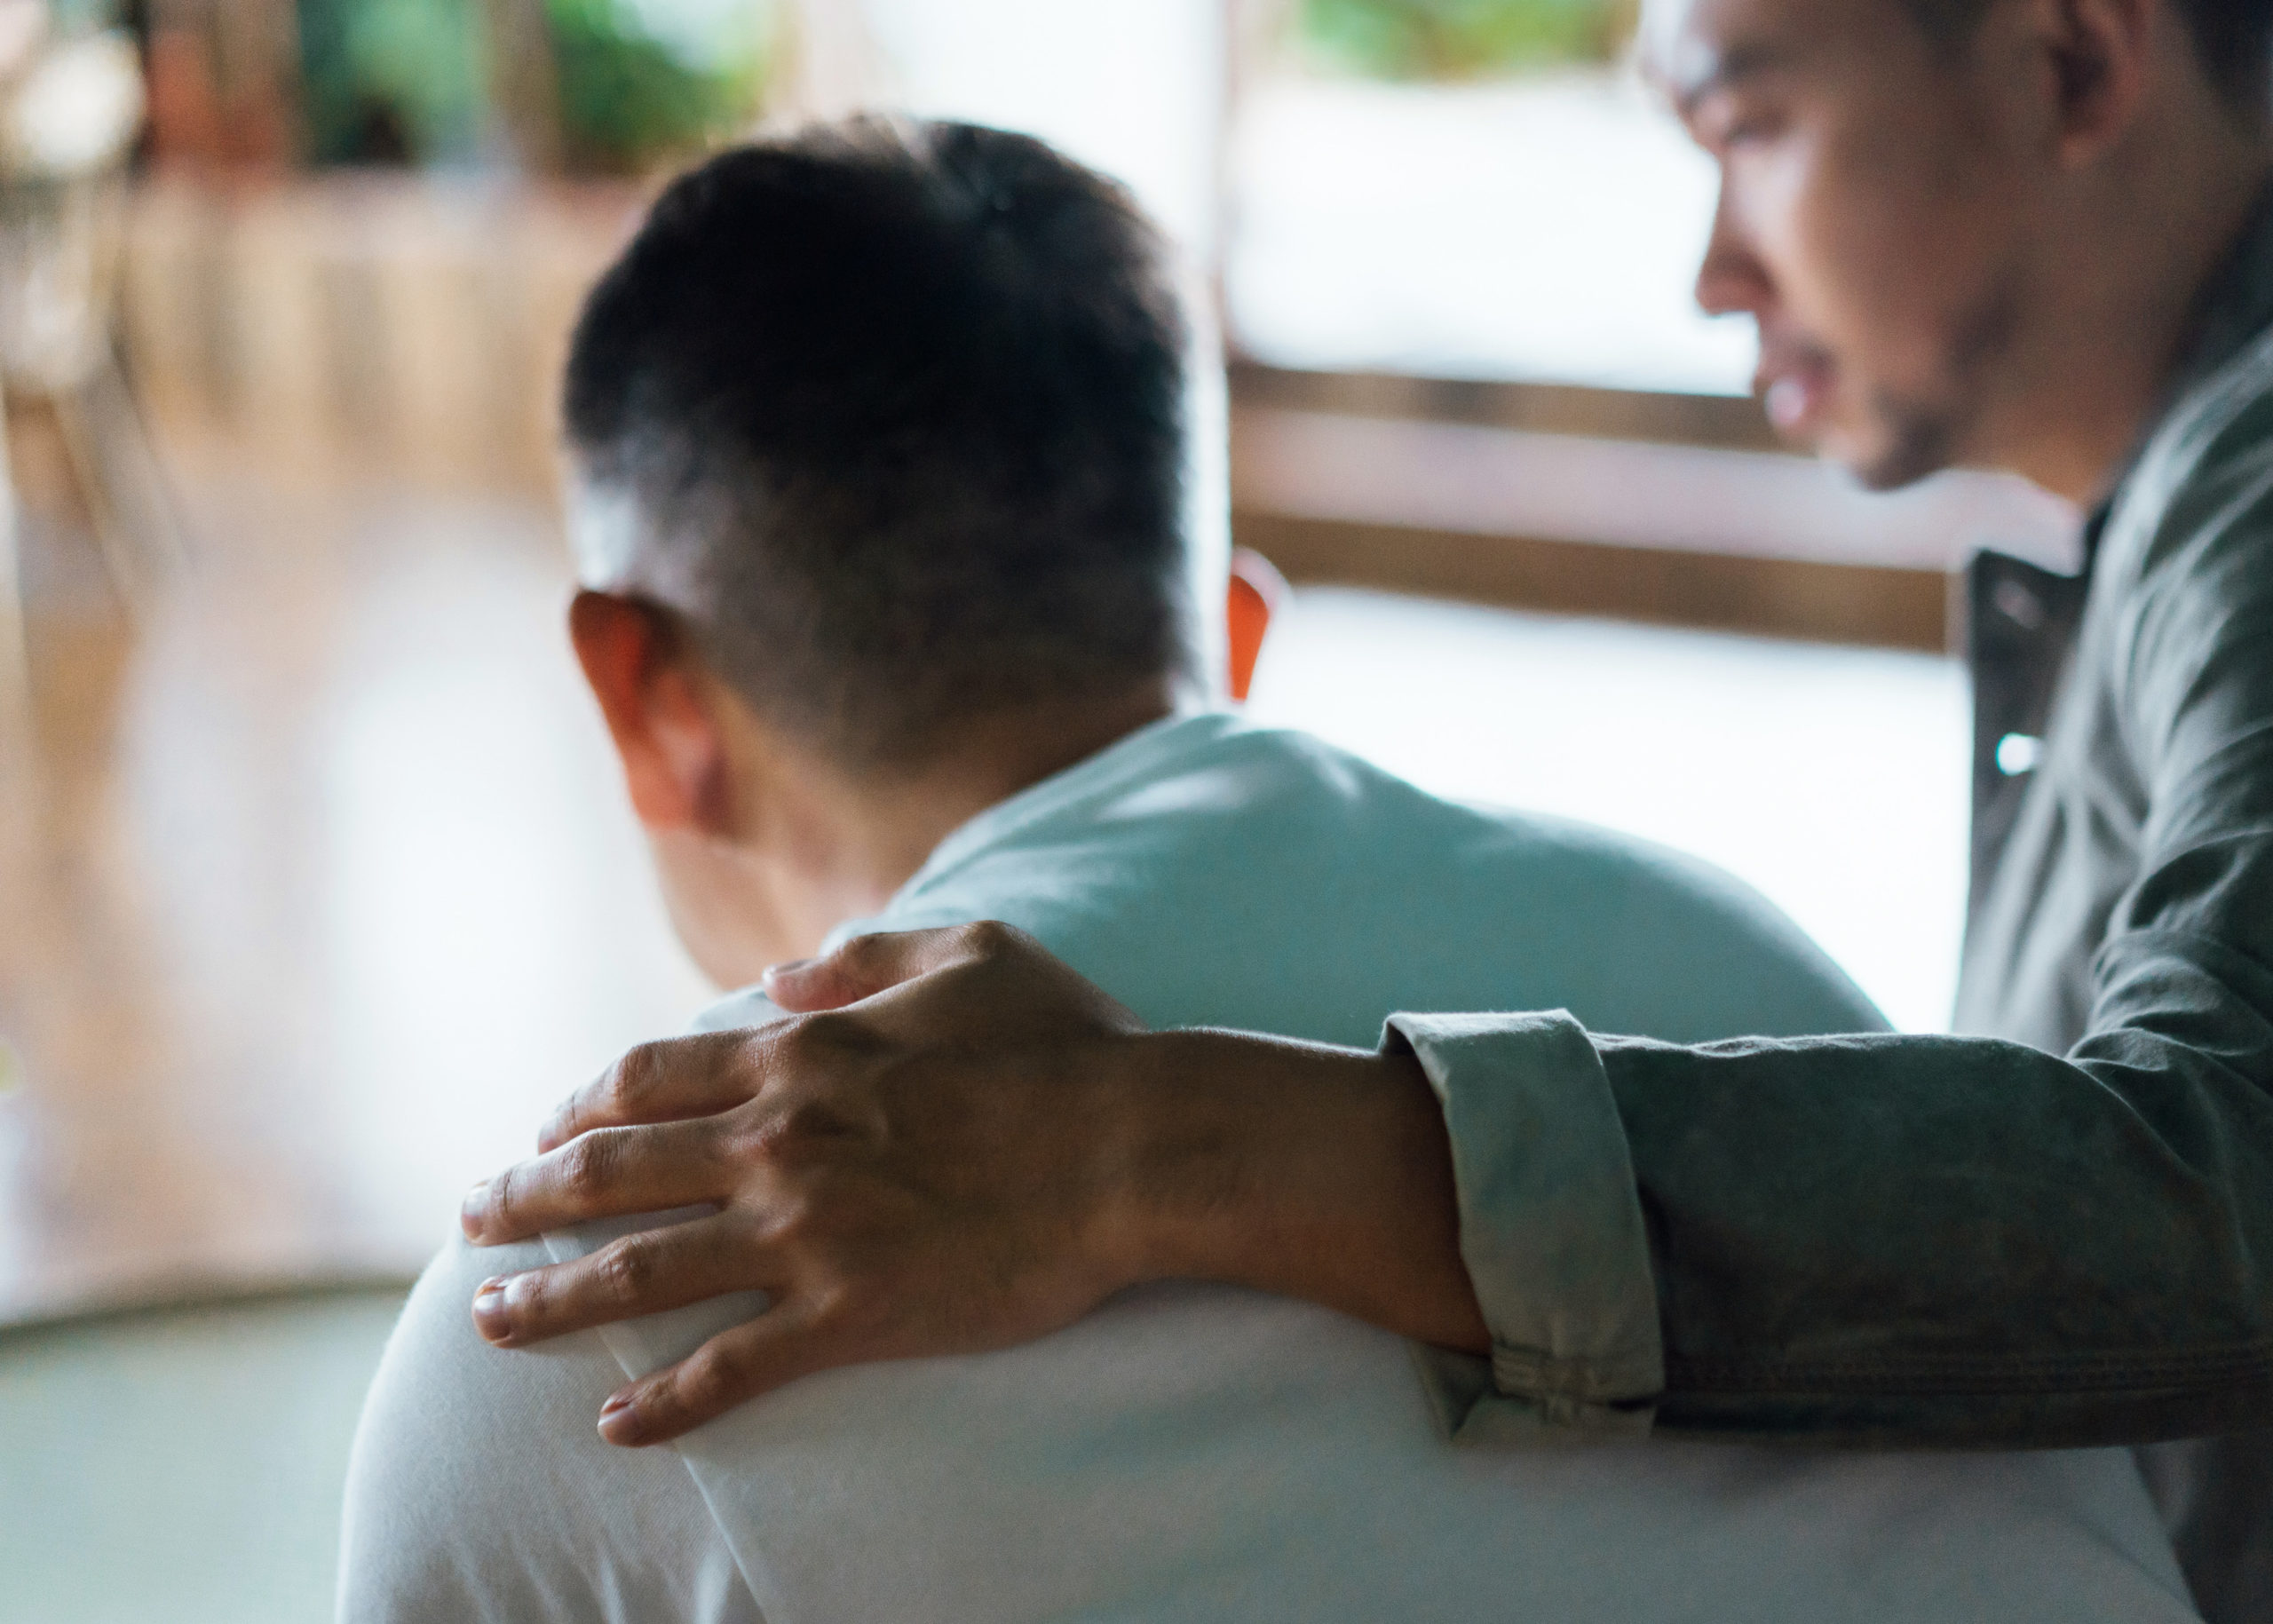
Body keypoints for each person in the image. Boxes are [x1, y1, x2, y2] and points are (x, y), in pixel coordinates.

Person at [459, 1, 2273, 1618]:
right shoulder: (1733, 941)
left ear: (2070, 57)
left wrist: (1130, 1146)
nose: (1710, 270)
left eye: (1747, 121)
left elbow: (2235, 1166)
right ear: (1235, 630)